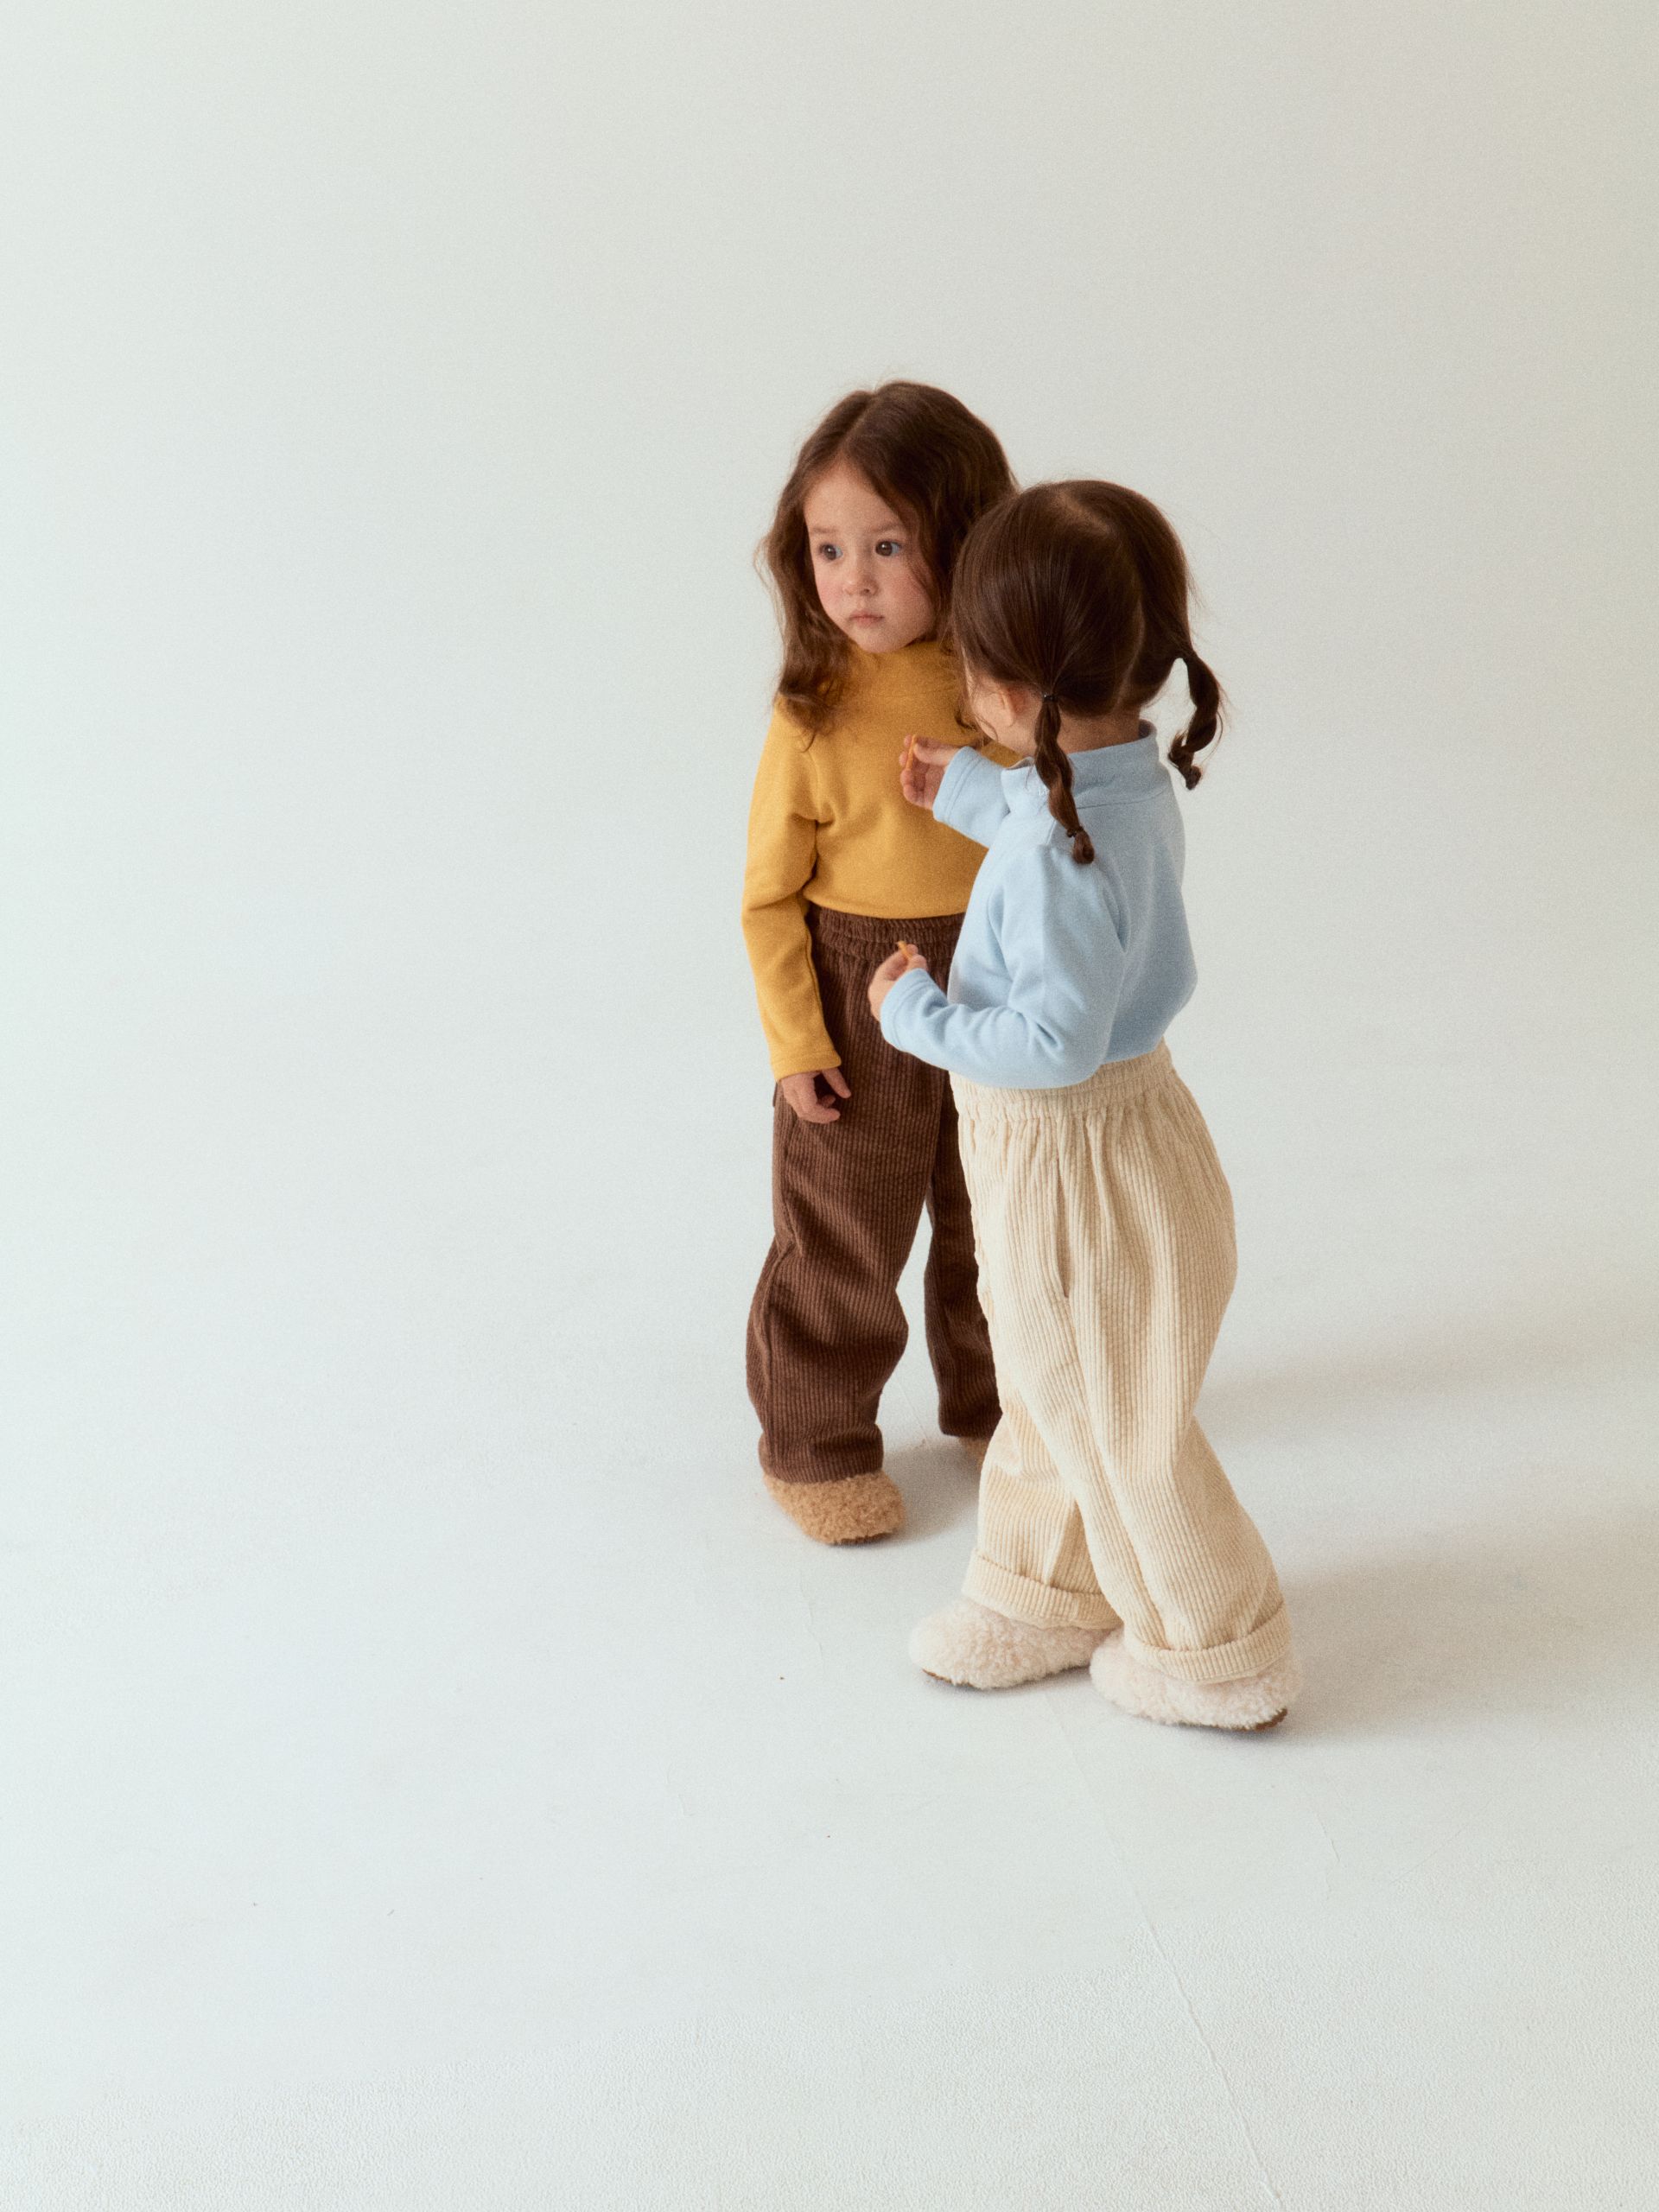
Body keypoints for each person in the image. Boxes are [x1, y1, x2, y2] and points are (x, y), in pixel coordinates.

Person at [868, 481, 1300, 1729]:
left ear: (1011, 691)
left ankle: (1215, 1648)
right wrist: (967, 789)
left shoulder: (1059, 856)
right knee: (1054, 1387)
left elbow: (1050, 1044)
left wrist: (917, 1015)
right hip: (1117, 1142)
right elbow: (1053, 800)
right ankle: (1044, 1588)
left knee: (1117, 1421)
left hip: (1074, 1164)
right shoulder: (1117, 782)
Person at [741, 383, 1016, 1543]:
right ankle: (816, 1443)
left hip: (999, 973)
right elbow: (768, 899)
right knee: (846, 1226)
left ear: (964, 543)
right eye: (829, 549)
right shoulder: (813, 711)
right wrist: (797, 1044)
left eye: (888, 547)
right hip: (860, 989)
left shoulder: (1001, 691)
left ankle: (1006, 1411)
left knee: (1000, 1211)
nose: (854, 580)